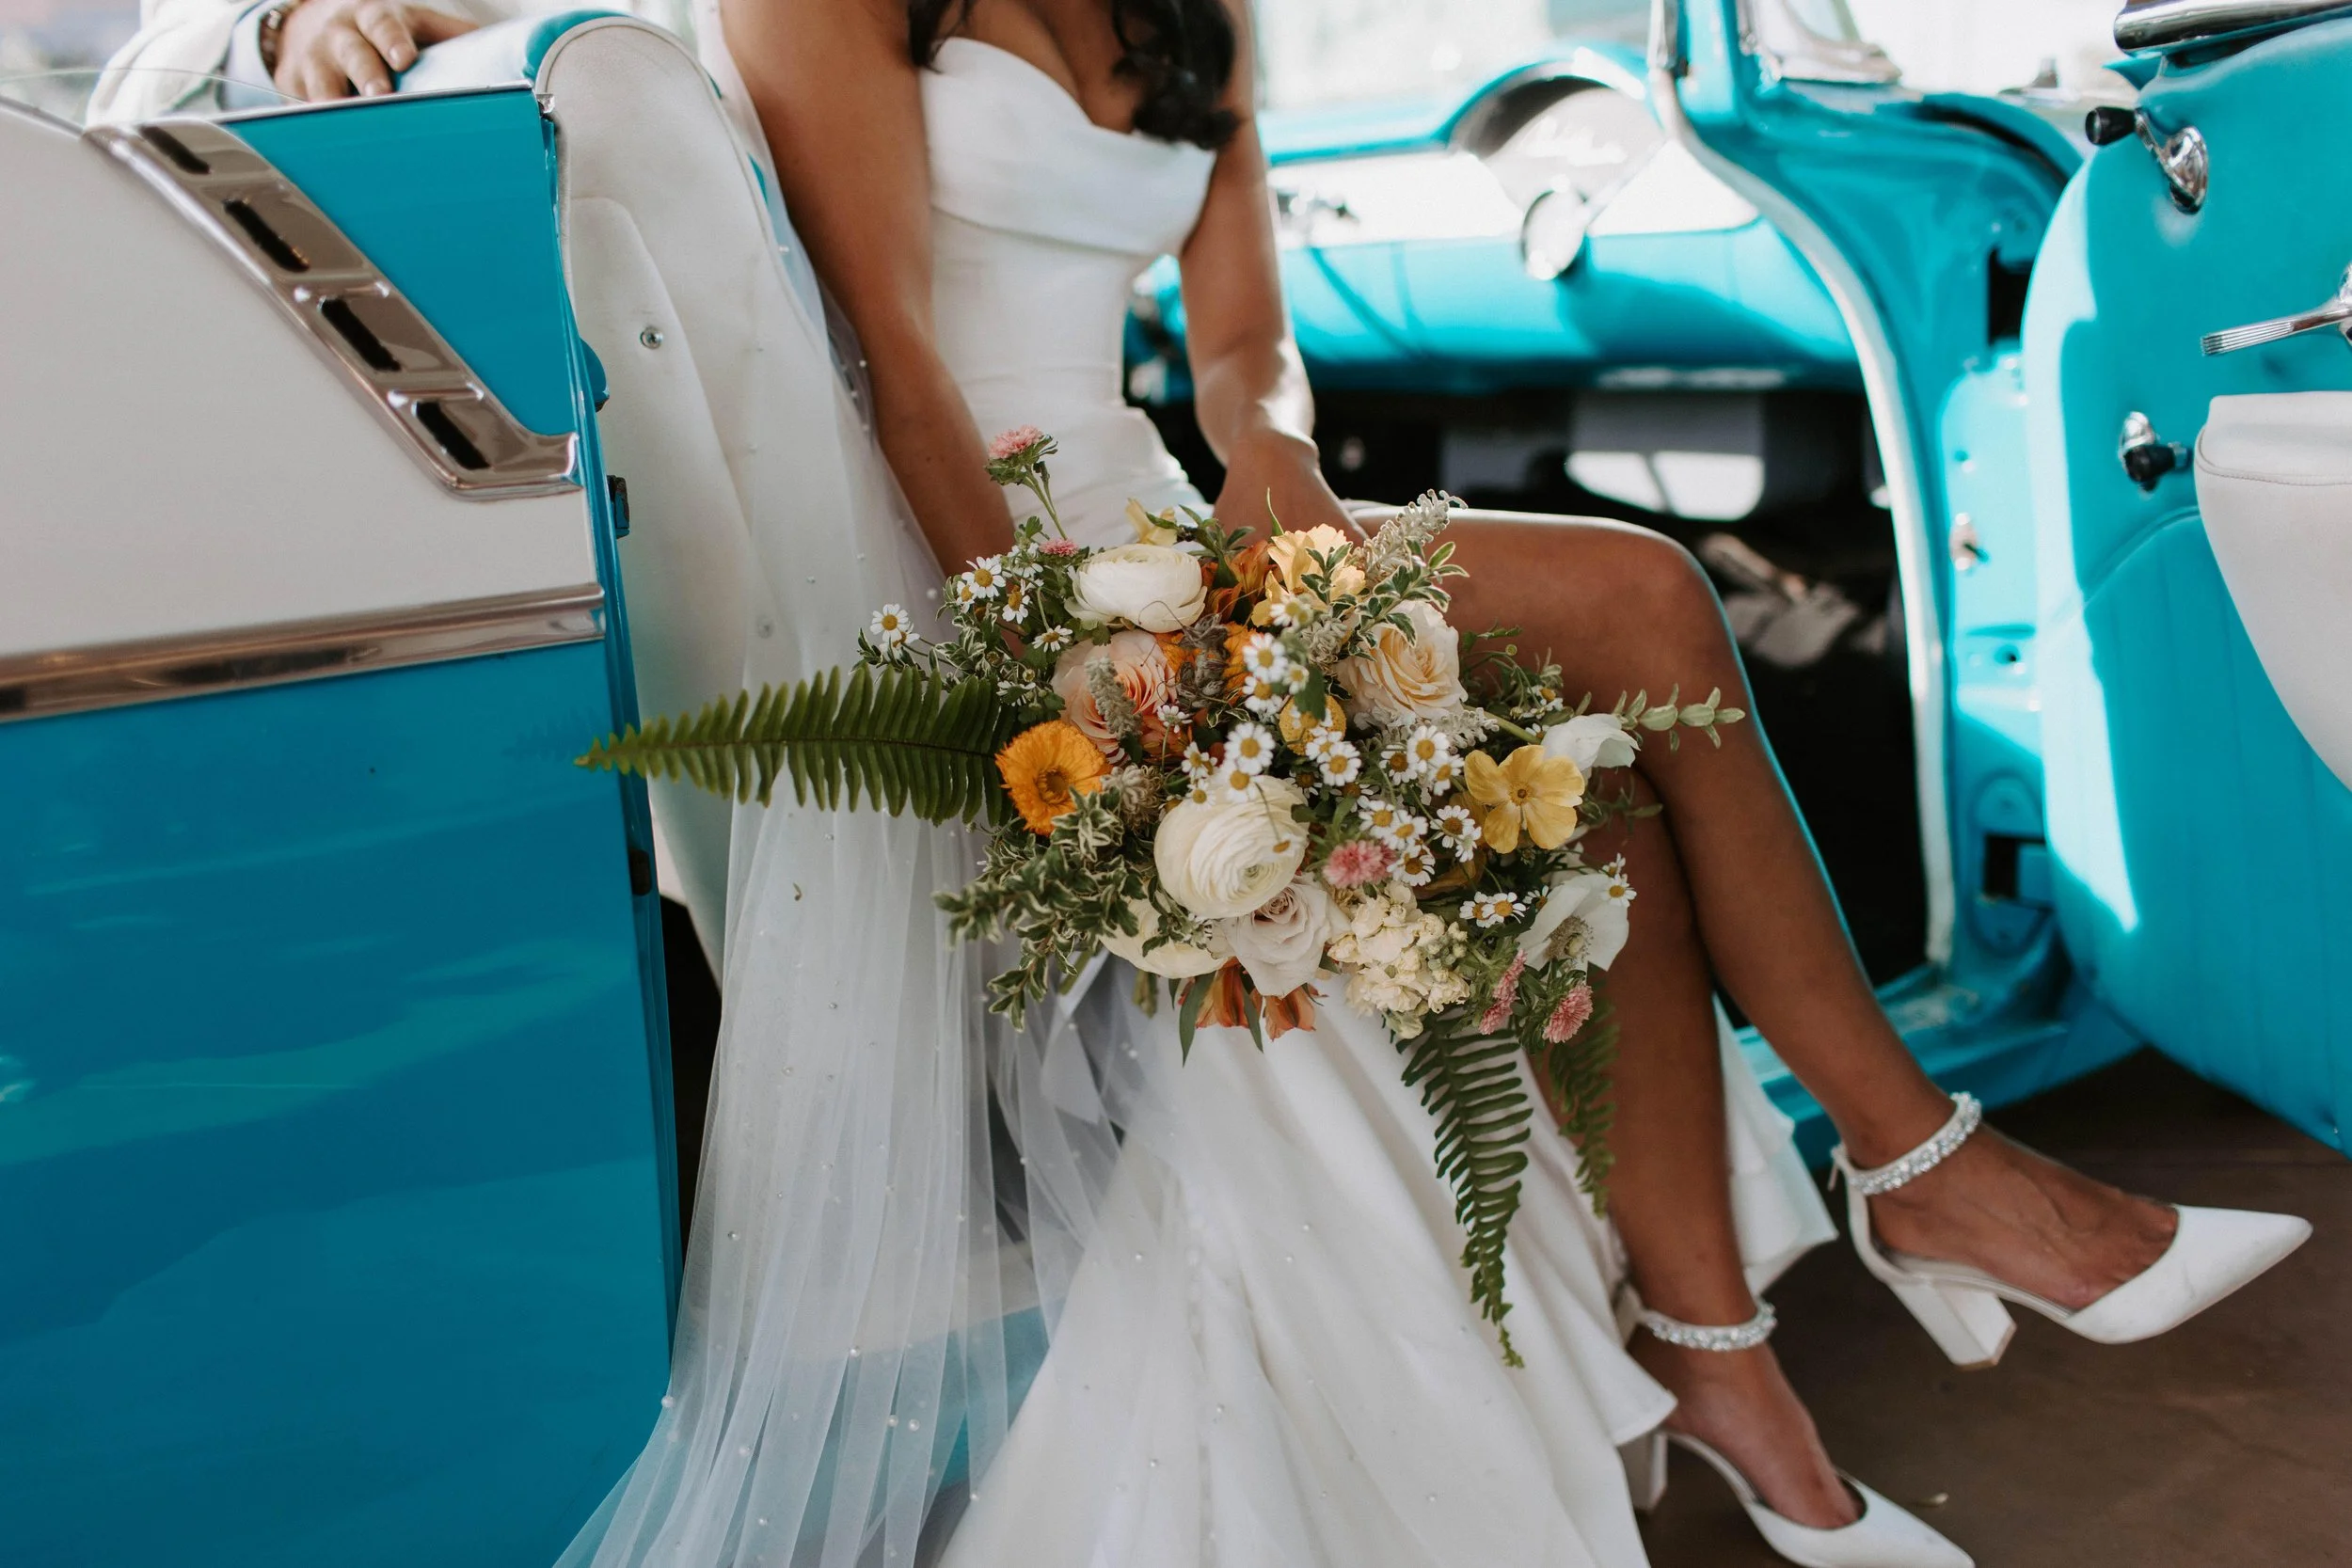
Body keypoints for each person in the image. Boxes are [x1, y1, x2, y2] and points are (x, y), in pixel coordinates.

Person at [108, 2, 2312, 1563]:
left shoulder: (1190, 7)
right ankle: (1907, 1181)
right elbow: (895, 375)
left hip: (1180, 509)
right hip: (965, 562)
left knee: (1596, 775)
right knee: (1640, 602)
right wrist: (1071, 672)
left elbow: (1242, 328)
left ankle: (1759, 1342)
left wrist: (1265, 457)